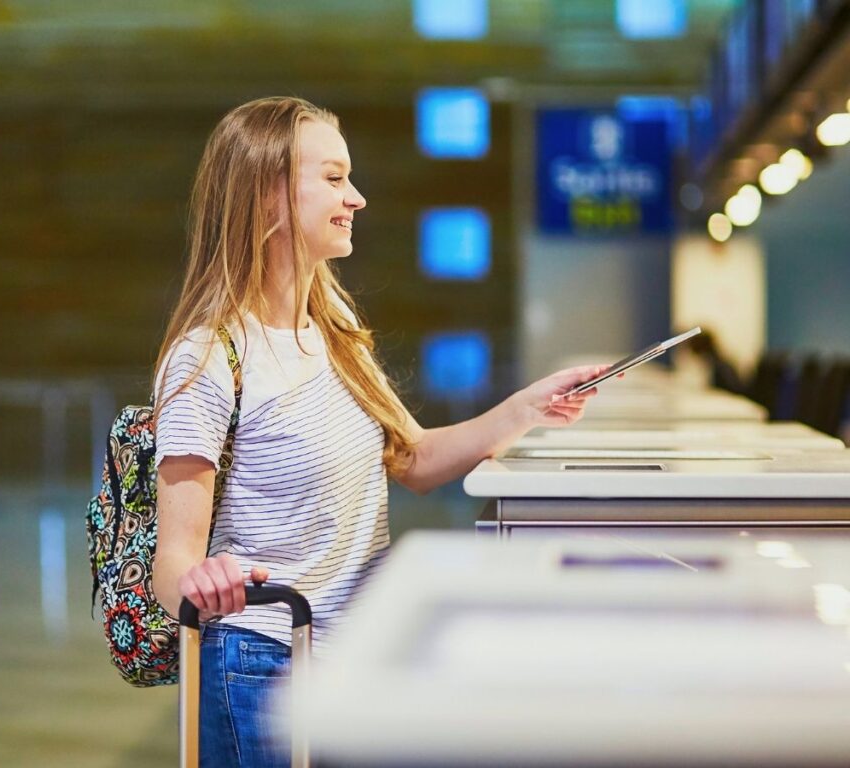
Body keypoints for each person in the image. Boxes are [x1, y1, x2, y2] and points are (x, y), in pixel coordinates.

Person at [149, 96, 608, 767]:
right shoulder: (208, 356)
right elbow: (173, 564)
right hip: (261, 665)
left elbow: (413, 457)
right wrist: (203, 581)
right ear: (269, 195)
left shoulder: (333, 335)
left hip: (353, 654)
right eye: (333, 178)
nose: (356, 198)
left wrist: (527, 408)